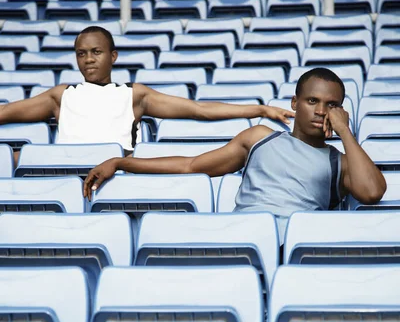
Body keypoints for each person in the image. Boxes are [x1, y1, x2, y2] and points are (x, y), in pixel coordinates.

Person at [83, 67, 386, 244]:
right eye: (312, 101)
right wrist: (121, 162)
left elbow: (372, 192)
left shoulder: (341, 161)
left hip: (298, 246)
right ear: (295, 103)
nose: (321, 111)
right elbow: (191, 166)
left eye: (331, 105)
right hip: (242, 240)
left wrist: (345, 132)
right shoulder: (259, 138)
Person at [0, 26, 295, 156]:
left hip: (115, 177)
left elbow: (199, 110)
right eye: (81, 53)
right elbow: (5, 114)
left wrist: (260, 109)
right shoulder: (61, 95)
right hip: (64, 179)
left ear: (112, 56)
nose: (88, 59)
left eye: (96, 52)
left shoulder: (134, 94)